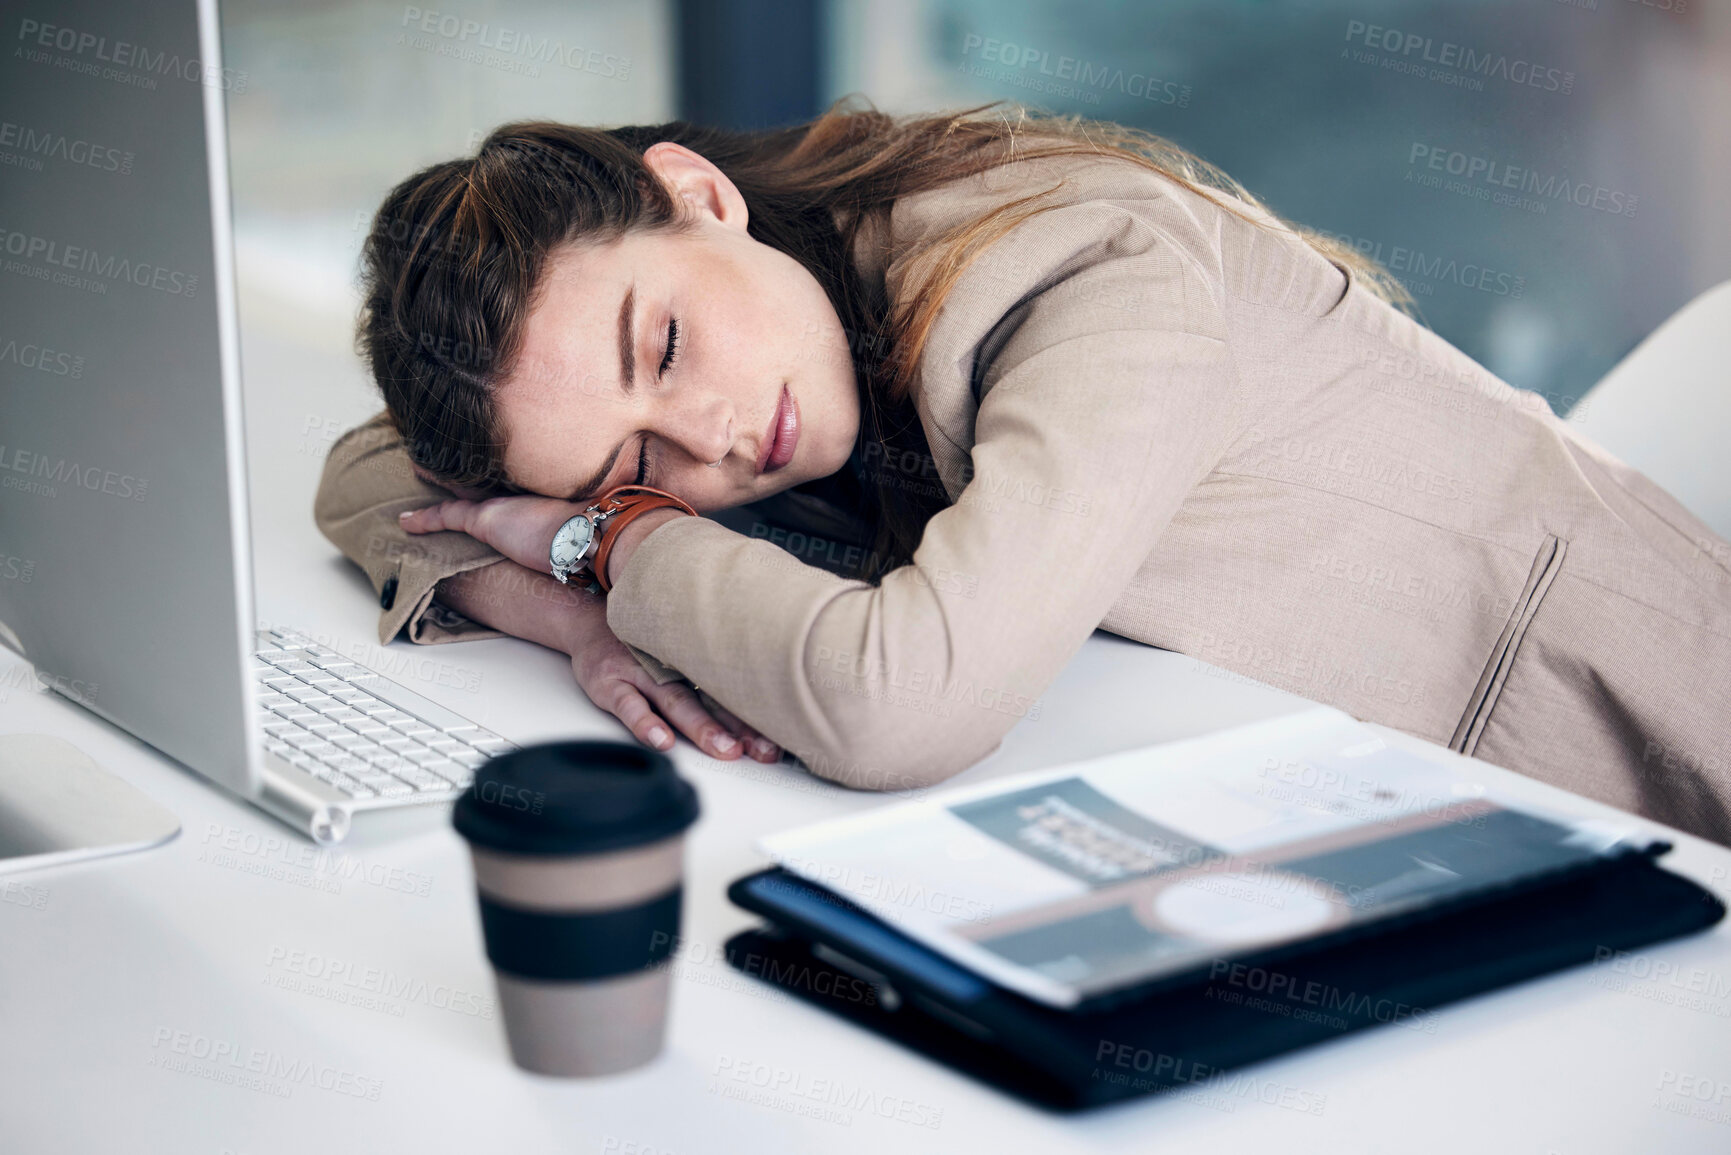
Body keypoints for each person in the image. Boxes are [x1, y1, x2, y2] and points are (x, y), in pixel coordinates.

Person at [314, 100, 1731, 846]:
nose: (711, 443)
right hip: (1312, 811)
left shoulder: (1086, 271)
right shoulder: (798, 299)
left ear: (696, 195)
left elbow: (897, 707)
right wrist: (556, 606)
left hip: (1604, 778)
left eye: (668, 343)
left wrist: (611, 548)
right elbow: (365, 469)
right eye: (629, 462)